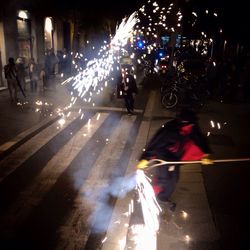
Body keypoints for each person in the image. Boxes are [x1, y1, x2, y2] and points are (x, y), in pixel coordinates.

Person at [136, 108, 213, 211]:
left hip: (175, 157)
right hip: (162, 155)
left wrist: (205, 154)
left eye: (190, 123)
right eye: (186, 123)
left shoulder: (192, 126)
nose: (190, 126)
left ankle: (161, 195)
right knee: (165, 179)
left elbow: (199, 138)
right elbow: (156, 143)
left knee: (174, 179)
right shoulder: (169, 129)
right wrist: (145, 158)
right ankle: (155, 194)